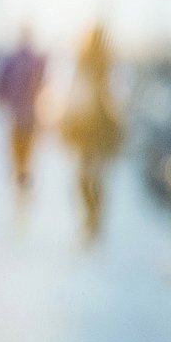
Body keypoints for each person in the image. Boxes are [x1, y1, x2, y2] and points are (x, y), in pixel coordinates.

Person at [59, 23, 125, 244]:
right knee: (93, 178)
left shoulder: (94, 62)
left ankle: (92, 221)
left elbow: (76, 95)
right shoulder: (101, 62)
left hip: (90, 130)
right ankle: (93, 220)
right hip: (97, 130)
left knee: (87, 177)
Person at [0, 27, 48, 195]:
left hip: (21, 114)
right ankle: (22, 177)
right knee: (23, 149)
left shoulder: (18, 60)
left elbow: (0, 85)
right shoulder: (28, 60)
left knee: (21, 149)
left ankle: (21, 177)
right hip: (25, 114)